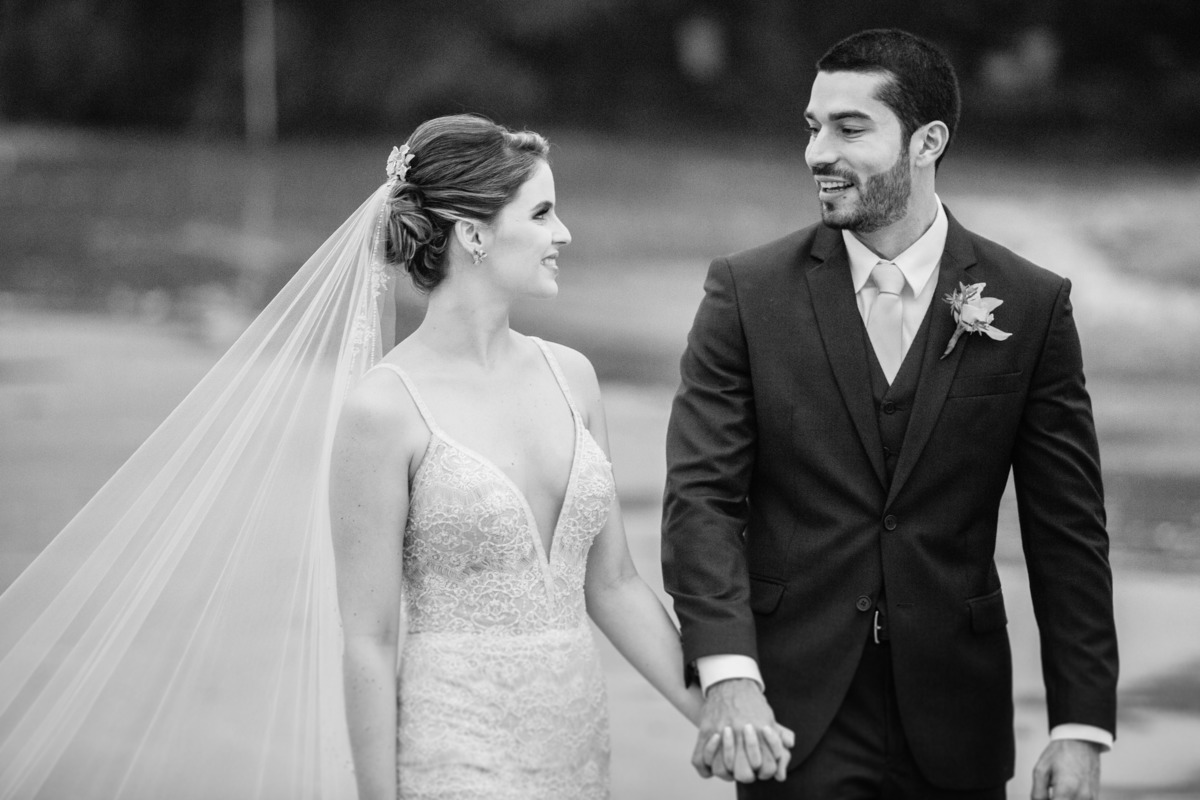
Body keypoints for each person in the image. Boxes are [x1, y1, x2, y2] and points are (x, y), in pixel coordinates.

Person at [662, 28, 1118, 799]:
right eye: (813, 128)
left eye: (849, 129)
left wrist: (1080, 724)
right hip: (793, 714)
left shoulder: (1032, 304)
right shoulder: (746, 293)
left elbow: (1067, 530)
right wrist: (729, 674)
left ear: (926, 142)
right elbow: (702, 499)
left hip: (958, 716)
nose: (817, 153)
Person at [329, 114, 777, 800]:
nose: (563, 233)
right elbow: (370, 638)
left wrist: (723, 716)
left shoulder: (572, 377)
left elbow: (613, 585)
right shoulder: (383, 410)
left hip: (576, 752)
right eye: (540, 214)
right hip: (453, 757)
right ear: (473, 234)